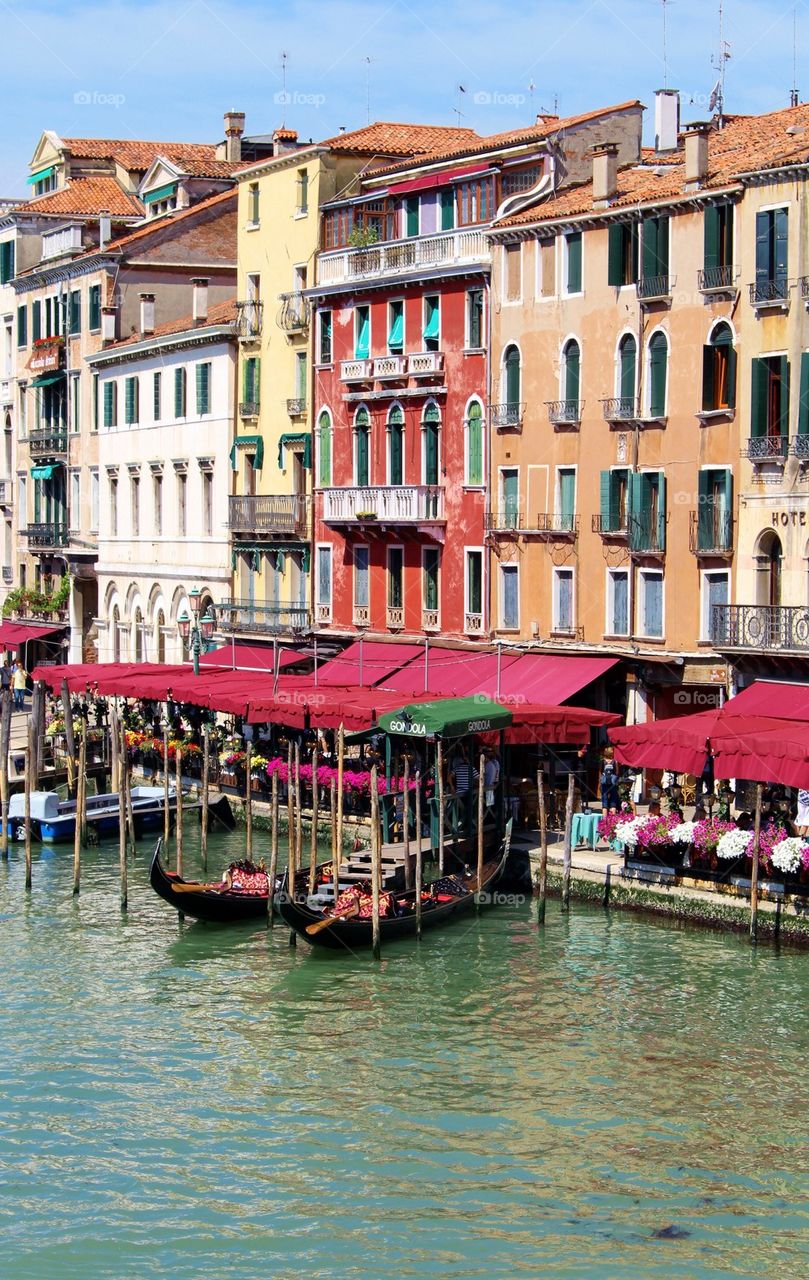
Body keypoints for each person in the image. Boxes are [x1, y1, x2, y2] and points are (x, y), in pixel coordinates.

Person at [600, 747, 620, 811]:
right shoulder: (614, 761)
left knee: (604, 802)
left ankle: (604, 819)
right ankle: (613, 819)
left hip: (604, 783)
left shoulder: (602, 761)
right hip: (612, 783)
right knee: (613, 801)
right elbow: (617, 772)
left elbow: (600, 771)